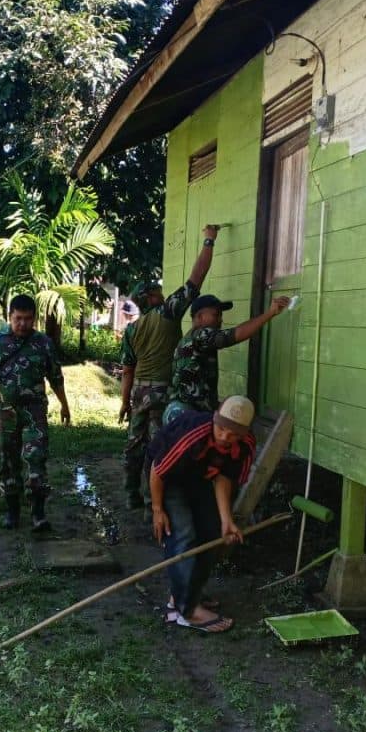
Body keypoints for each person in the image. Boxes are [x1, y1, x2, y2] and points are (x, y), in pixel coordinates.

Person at [119, 225, 219, 510]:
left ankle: (131, 494)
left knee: (134, 442)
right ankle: (155, 498)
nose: (162, 293)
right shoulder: (168, 313)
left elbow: (127, 369)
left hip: (139, 392)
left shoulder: (131, 330)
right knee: (159, 443)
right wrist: (209, 241)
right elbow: (195, 281)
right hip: (165, 391)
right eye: (158, 291)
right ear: (151, 297)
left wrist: (125, 402)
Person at [147, 395, 258, 633]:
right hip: (168, 478)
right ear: (215, 420)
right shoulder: (193, 435)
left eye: (233, 434)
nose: (224, 437)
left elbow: (223, 477)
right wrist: (157, 509)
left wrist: (226, 520)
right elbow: (158, 470)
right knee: (182, 534)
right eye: (221, 428)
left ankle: (186, 593)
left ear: (244, 433)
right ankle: (187, 611)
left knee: (211, 533)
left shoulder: (245, 446)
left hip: (201, 478)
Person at [0, 294, 71, 531]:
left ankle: (38, 512)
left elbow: (55, 376)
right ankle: (12, 511)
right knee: (7, 462)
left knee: (36, 459)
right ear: (10, 317)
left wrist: (64, 404)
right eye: (18, 319)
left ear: (34, 319)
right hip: (5, 413)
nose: (22, 324)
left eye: (28, 319)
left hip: (34, 413)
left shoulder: (43, 343)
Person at [164, 292, 290, 424]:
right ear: (199, 317)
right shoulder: (201, 335)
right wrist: (270, 313)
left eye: (220, 315)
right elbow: (234, 335)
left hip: (187, 412)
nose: (220, 320)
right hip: (186, 415)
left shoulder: (192, 339)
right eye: (215, 315)